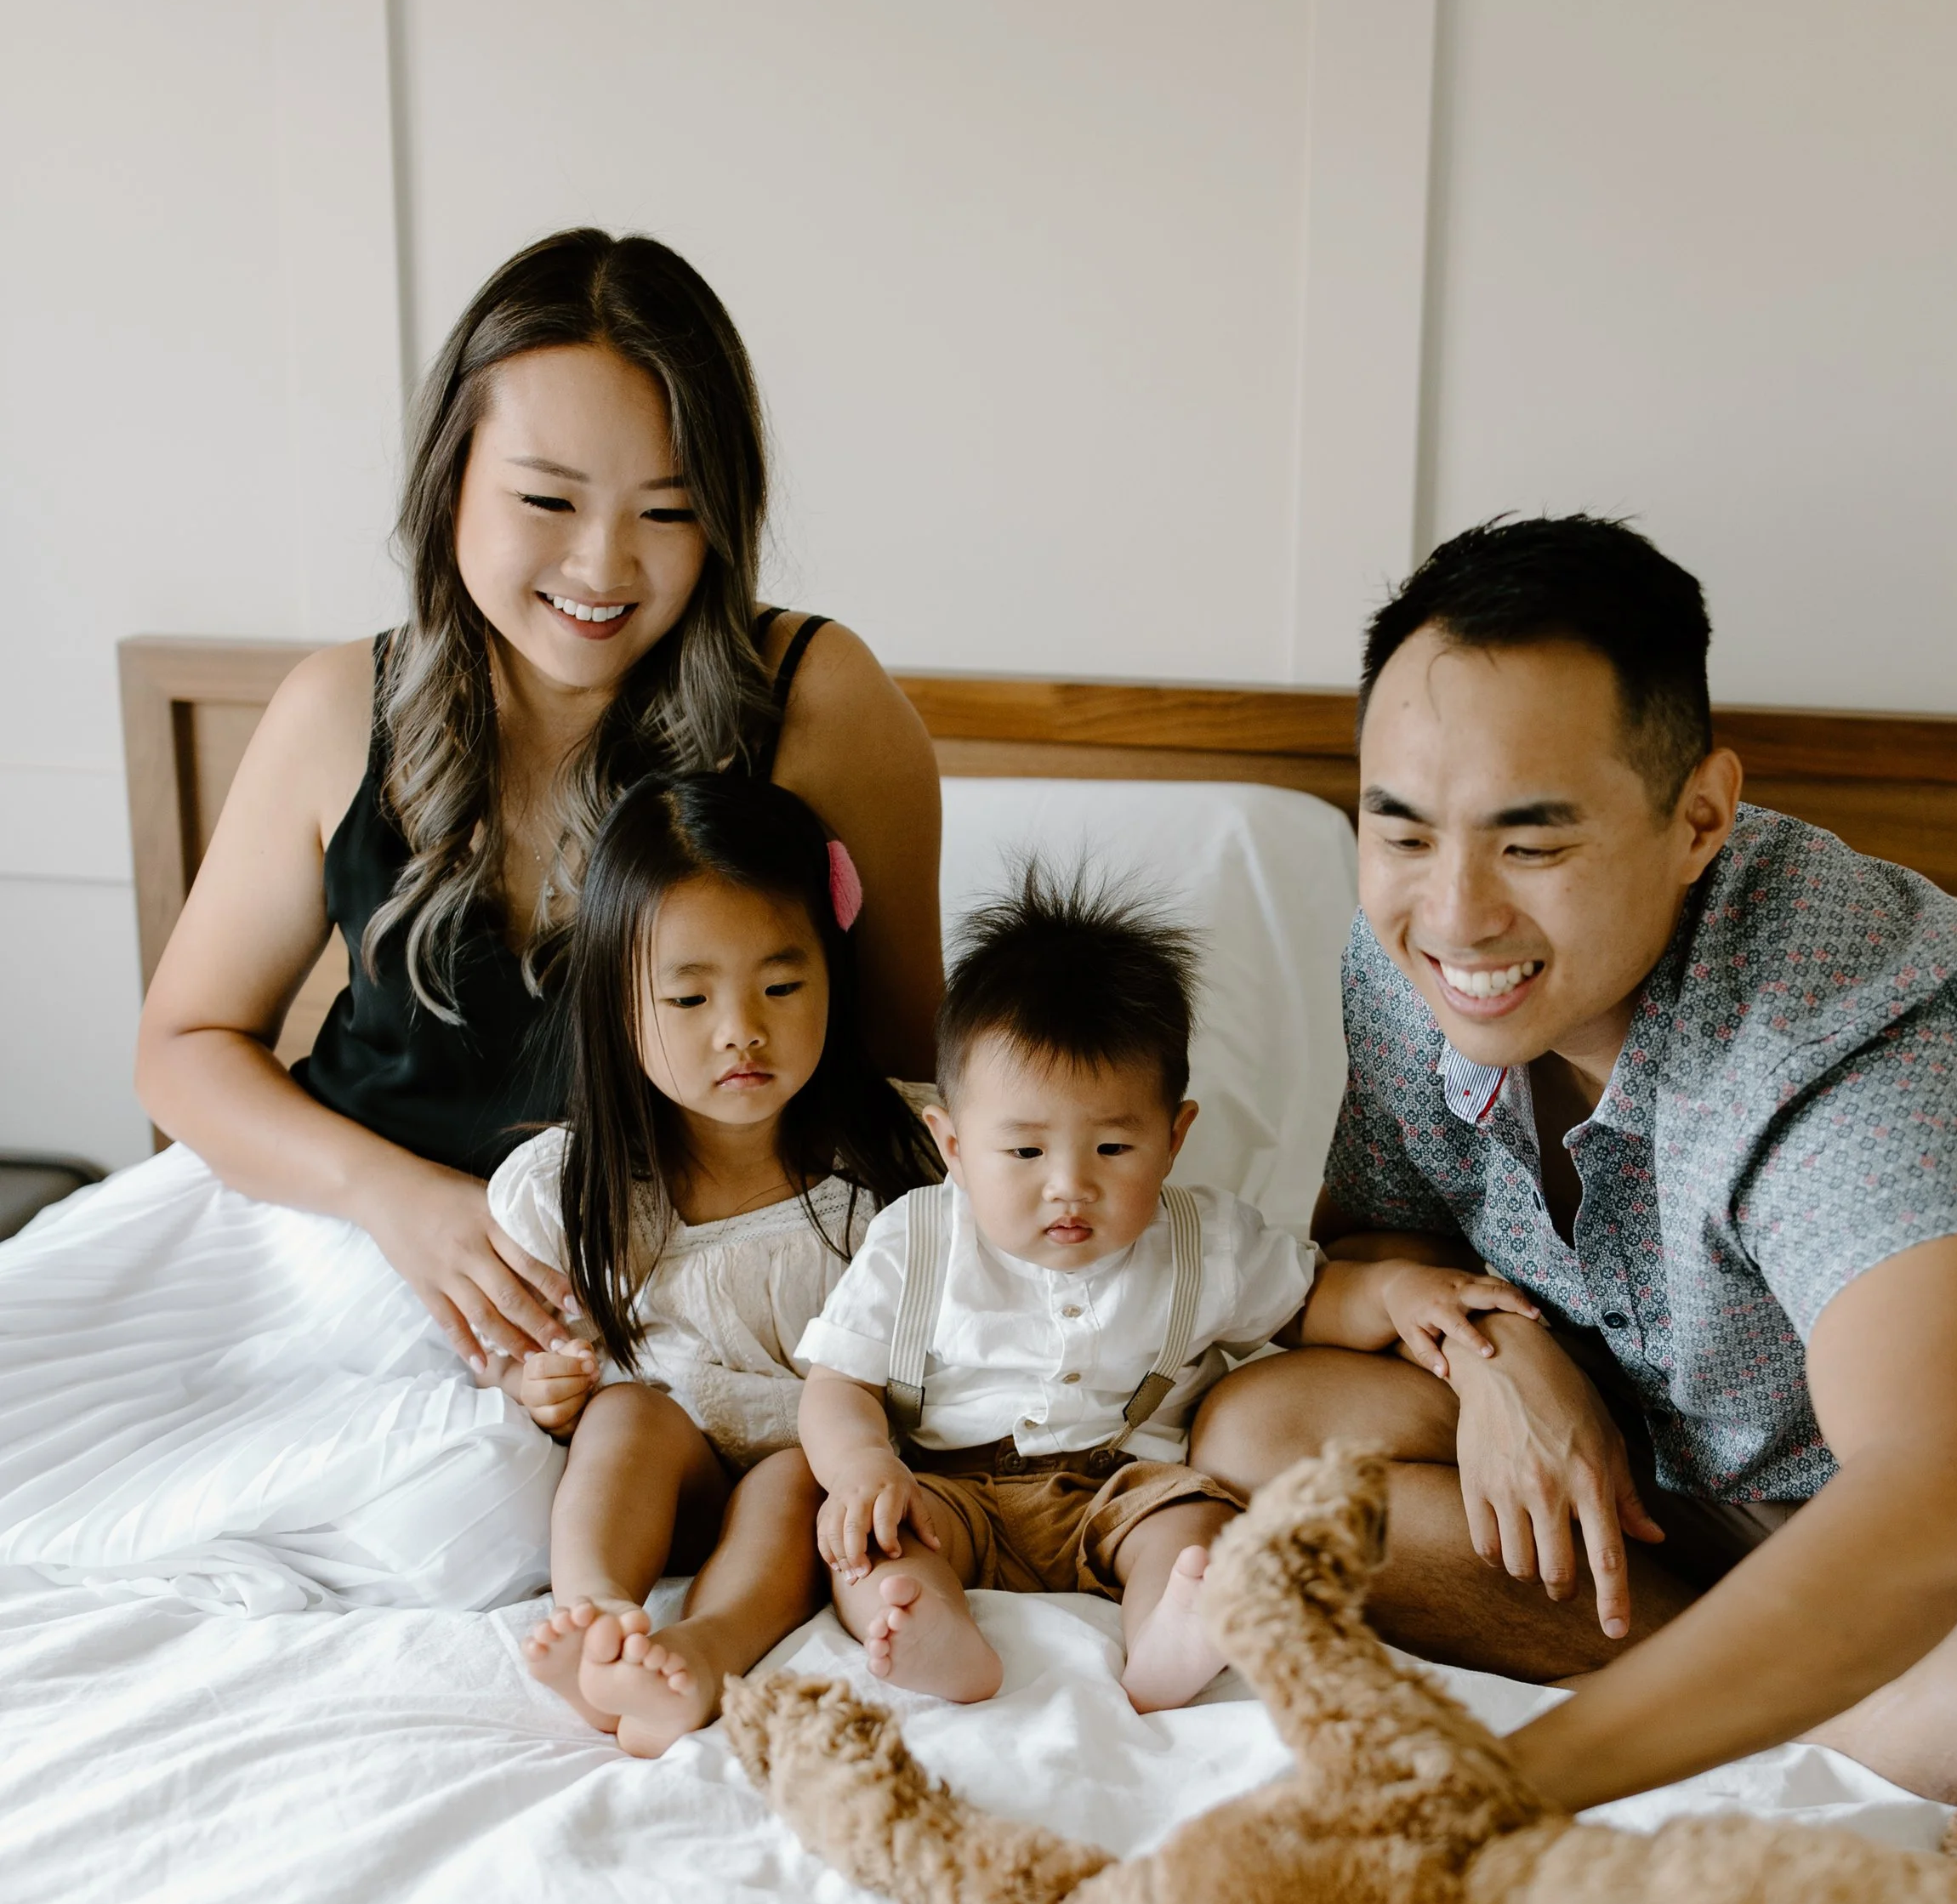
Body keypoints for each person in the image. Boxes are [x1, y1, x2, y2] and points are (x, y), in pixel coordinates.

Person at [0, 228, 942, 1611]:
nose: (604, 564)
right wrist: (401, 1206)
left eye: (668, 511)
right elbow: (183, 1046)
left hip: (603, 1304)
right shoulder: (339, 707)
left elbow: (898, 1077)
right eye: (547, 501)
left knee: (466, 1522)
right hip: (320, 1218)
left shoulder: (819, 699)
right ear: (451, 488)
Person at [1189, 514, 1957, 1810]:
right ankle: (1778, 1667)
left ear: (1700, 818)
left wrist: (1517, 1787)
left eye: (1531, 844)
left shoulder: (1844, 1021)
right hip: (1670, 1483)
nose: (1456, 913)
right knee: (1265, 1432)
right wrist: (1503, 1358)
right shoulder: (1406, 964)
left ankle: (1761, 1674)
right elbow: (1374, 1247)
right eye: (1401, 832)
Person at [794, 865, 1538, 1708]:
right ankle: (928, 1628)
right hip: (949, 1488)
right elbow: (837, 1381)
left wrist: (1397, 1290)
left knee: (1199, 1528)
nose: (1068, 1186)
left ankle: (1167, 1641)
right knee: (871, 1545)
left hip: (1126, 1491)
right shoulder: (916, 1240)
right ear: (954, 1145)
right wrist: (861, 1468)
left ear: (1174, 1135)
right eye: (1025, 1153)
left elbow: (1312, 1302)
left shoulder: (1203, 1240)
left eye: (1113, 1149)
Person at [496, 774, 933, 1754]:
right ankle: (597, 1614)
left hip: (814, 1453)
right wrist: (542, 1384)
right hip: (673, 1465)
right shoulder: (578, 1184)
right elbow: (525, 1343)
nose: (741, 1029)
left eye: (781, 986)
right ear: (620, 1002)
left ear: (833, 974)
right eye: (689, 997)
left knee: (792, 1481)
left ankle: (701, 1654)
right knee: (625, 1415)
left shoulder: (909, 1153)